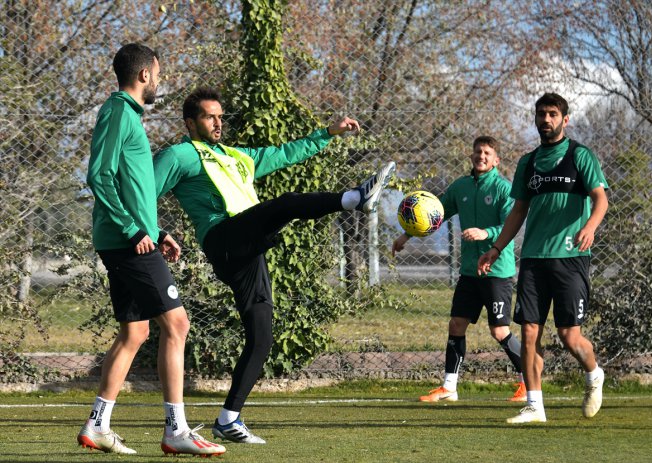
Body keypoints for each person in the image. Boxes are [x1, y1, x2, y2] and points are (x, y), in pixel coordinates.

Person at [153, 86, 395, 444]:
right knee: (286, 204)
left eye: (221, 116)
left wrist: (327, 133)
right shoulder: (179, 155)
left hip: (248, 249)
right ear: (190, 122)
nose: (218, 122)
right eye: (209, 117)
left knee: (262, 336)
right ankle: (356, 198)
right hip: (223, 238)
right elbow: (144, 191)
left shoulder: (237, 156)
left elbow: (284, 154)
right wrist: (156, 232)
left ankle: (228, 418)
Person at [78, 44, 226, 456]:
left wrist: (156, 230)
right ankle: (176, 431)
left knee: (136, 331)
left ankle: (98, 426)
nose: (159, 81)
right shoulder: (118, 113)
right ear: (144, 75)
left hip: (131, 238)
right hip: (125, 243)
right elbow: (100, 177)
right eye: (158, 74)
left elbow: (131, 187)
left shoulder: (128, 117)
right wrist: (132, 230)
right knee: (177, 324)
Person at [478, 92, 608, 423]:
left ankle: (594, 374)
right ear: (535, 119)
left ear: (565, 120)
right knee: (530, 331)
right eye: (540, 114)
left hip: (570, 257)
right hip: (534, 258)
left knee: (569, 337)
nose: (545, 120)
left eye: (552, 114)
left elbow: (600, 199)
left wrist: (591, 226)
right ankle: (535, 405)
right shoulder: (528, 162)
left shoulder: (581, 156)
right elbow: (518, 210)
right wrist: (496, 248)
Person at [392, 136, 526, 403]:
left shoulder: (503, 189)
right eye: (478, 151)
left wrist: (484, 232)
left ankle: (528, 381)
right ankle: (449, 387)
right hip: (469, 271)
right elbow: (433, 214)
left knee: (499, 331)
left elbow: (511, 224)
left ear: (496, 160)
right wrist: (406, 235)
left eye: (488, 153)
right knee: (456, 324)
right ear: (472, 156)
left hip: (496, 270)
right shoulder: (461, 187)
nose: (482, 156)